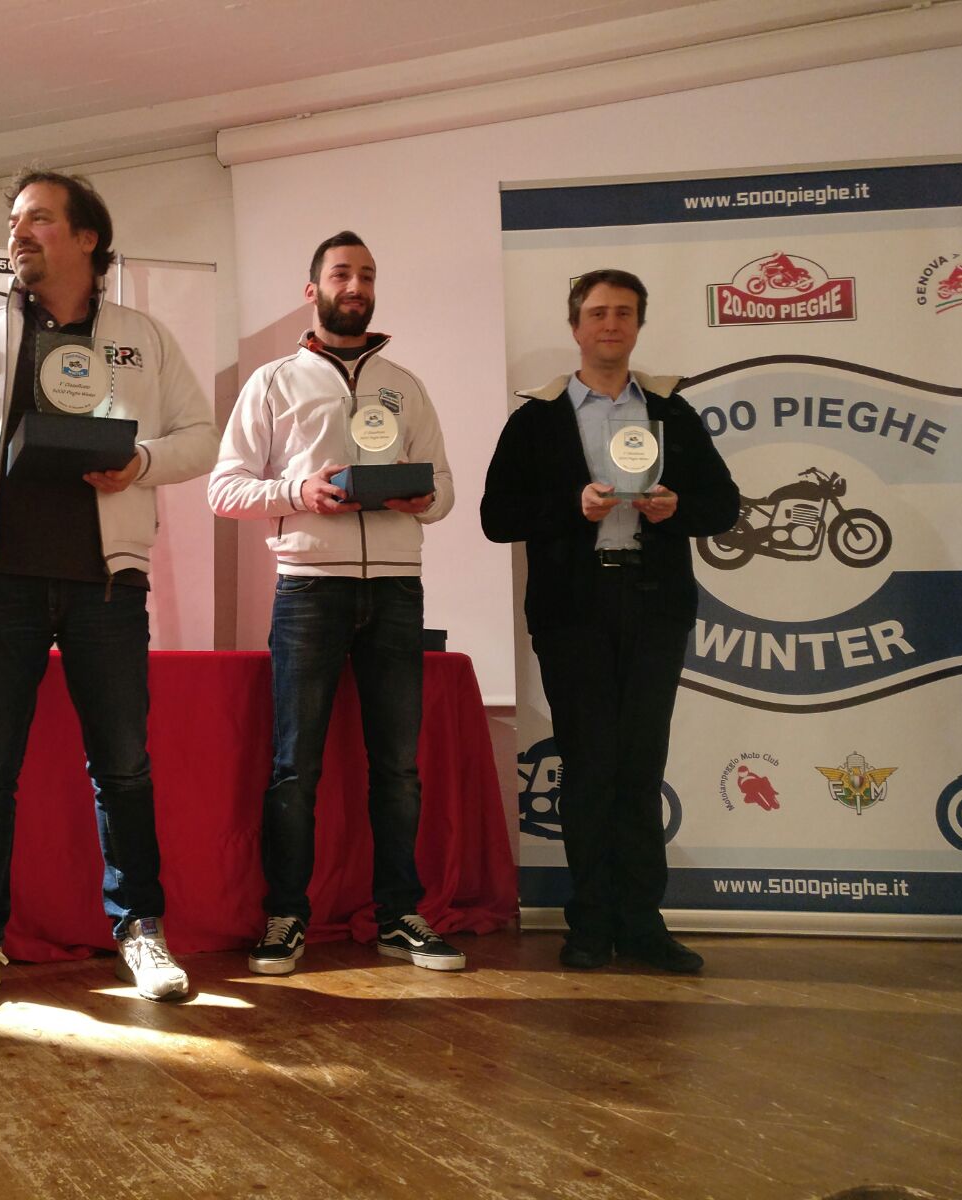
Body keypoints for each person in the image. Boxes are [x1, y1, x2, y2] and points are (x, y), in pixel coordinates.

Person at [0, 169, 217, 1010]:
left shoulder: (143, 338)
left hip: (106, 589)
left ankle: (140, 929)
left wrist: (141, 461)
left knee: (124, 768)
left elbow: (201, 437)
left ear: (87, 238)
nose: (19, 232)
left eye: (39, 219)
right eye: (14, 220)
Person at [208, 231, 463, 975]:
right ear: (312, 290)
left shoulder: (406, 385)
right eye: (342, 274)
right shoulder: (273, 382)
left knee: (399, 768)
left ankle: (399, 916)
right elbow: (224, 488)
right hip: (309, 590)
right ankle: (286, 916)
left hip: (397, 588)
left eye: (367, 275)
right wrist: (300, 491)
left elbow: (446, 488)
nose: (356, 286)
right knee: (295, 766)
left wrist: (422, 499)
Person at [480, 268, 739, 973]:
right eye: (597, 313)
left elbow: (723, 506)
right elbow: (497, 517)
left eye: (624, 312)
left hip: (654, 605)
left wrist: (674, 507)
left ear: (638, 325)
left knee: (640, 764)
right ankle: (591, 922)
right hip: (574, 611)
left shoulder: (672, 412)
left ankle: (643, 924)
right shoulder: (536, 419)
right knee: (591, 765)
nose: (611, 324)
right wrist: (575, 506)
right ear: (576, 327)